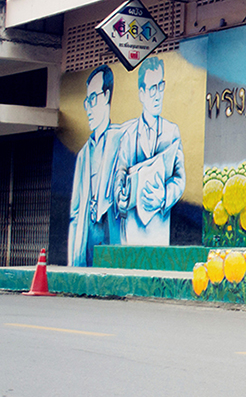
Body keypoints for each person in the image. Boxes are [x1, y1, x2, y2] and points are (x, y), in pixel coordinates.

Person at [113, 57, 185, 246]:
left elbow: (180, 178)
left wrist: (164, 196)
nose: (158, 95)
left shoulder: (172, 132)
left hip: (159, 230)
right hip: (131, 230)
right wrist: (120, 196)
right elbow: (120, 172)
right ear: (141, 93)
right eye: (152, 88)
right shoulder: (128, 135)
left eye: (161, 86)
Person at [68, 65, 123, 266]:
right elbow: (75, 213)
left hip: (112, 236)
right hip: (87, 238)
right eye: (87, 102)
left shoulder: (121, 139)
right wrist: (73, 261)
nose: (89, 109)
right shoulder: (83, 155)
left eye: (93, 99)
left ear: (106, 96)